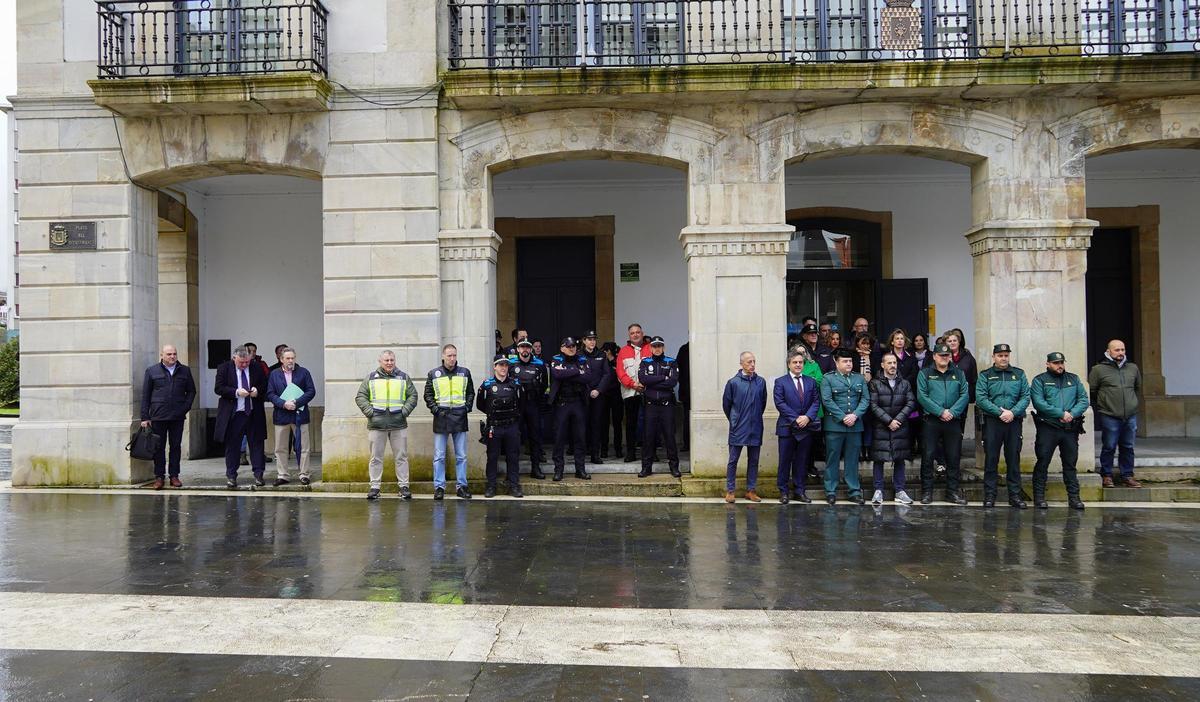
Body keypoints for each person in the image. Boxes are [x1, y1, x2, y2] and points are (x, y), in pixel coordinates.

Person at [355, 350, 417, 500]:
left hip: (398, 424)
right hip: (377, 425)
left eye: (392, 360)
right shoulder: (371, 378)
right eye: (386, 360)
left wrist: (404, 412)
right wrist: (370, 412)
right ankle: (375, 487)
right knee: (376, 457)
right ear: (380, 361)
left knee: (401, 456)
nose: (389, 363)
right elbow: (360, 396)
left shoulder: (403, 377)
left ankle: (404, 486)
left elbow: (413, 396)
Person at [976, 343, 1031, 508]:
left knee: (1013, 459)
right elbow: (981, 398)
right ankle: (990, 496)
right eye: (1000, 355)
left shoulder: (1018, 374)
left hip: (1013, 422)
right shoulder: (985, 375)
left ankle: (1014, 496)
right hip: (993, 422)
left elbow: (1025, 396)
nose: (1003, 358)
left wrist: (1012, 412)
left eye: (1006, 355)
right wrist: (999, 412)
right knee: (991, 459)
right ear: (994, 357)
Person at [1031, 352, 1089, 510]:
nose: (1060, 365)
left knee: (1070, 464)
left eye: (1061, 362)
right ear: (1048, 364)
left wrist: (1072, 414)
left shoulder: (1073, 378)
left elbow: (1083, 399)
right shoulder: (1040, 380)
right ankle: (1039, 497)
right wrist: (1061, 414)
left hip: (1069, 428)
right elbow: (1039, 403)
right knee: (1043, 462)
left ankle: (1074, 497)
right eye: (1056, 363)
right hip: (1048, 427)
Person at [916, 343, 970, 505]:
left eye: (947, 356)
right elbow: (922, 396)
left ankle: (952, 492)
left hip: (953, 420)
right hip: (931, 420)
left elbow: (965, 395)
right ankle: (927, 492)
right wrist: (940, 411)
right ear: (934, 356)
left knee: (953, 457)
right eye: (941, 355)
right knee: (928, 456)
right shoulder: (925, 373)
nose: (944, 358)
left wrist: (952, 412)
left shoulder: (958, 373)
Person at [139, 344, 197, 490]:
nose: (172, 357)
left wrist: (185, 408)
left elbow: (191, 391)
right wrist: (145, 417)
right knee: (158, 447)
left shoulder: (184, 370)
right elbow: (145, 395)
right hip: (158, 415)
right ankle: (159, 476)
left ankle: (174, 475)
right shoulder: (152, 371)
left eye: (174, 354)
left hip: (177, 416)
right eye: (169, 354)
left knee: (175, 446)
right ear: (162, 355)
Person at [1088, 339, 1143, 489]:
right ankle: (1107, 475)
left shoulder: (1133, 368)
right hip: (1109, 414)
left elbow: (1137, 388)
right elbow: (1092, 390)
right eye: (1117, 350)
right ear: (1108, 351)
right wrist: (1105, 403)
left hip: (1130, 415)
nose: (1120, 353)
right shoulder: (1098, 369)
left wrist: (1131, 404)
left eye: (1122, 350)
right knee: (1109, 446)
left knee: (1128, 446)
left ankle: (1127, 475)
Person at [424, 344, 474, 500]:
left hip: (460, 416)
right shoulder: (434, 374)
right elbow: (428, 395)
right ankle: (439, 487)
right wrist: (436, 410)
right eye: (449, 356)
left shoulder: (464, 372)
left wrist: (466, 408)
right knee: (439, 456)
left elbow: (470, 393)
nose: (452, 359)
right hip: (442, 417)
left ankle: (462, 486)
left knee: (461, 456)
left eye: (454, 355)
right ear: (443, 356)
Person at [214, 346, 268, 489]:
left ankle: (258, 474)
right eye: (241, 362)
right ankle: (231, 475)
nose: (244, 365)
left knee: (257, 444)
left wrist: (257, 391)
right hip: (235, 413)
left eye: (247, 362)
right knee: (233, 446)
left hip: (253, 412)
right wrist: (236, 392)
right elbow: (218, 388)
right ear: (234, 358)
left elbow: (265, 386)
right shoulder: (224, 368)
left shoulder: (256, 367)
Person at [819, 348, 868, 505]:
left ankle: (854, 491)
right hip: (835, 425)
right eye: (845, 361)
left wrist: (855, 415)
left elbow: (865, 399)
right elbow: (827, 400)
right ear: (836, 362)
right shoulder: (828, 379)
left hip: (855, 425)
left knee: (852, 459)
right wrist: (842, 417)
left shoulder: (859, 378)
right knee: (832, 458)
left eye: (850, 361)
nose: (848, 364)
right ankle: (830, 490)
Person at [868, 352, 916, 505]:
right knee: (879, 458)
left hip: (900, 426)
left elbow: (910, 403)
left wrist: (898, 420)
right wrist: (889, 421)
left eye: (894, 362)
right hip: (881, 425)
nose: (893, 366)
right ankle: (878, 490)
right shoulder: (875, 383)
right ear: (882, 365)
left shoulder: (905, 383)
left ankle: (900, 490)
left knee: (900, 458)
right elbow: (873, 405)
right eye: (889, 363)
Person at [266, 347, 317, 487]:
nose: (291, 361)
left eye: (293, 358)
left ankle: (304, 474)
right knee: (280, 448)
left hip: (300, 414)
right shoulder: (274, 374)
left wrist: (296, 402)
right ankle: (283, 475)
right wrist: (283, 404)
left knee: (304, 446)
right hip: (282, 415)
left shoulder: (303, 372)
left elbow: (311, 391)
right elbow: (270, 393)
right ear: (281, 359)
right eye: (287, 358)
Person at [774, 350, 820, 504]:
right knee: (785, 461)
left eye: (800, 362)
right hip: (787, 427)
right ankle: (784, 492)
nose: (798, 365)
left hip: (806, 427)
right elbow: (780, 403)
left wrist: (807, 417)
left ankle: (800, 491)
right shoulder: (780, 382)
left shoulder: (811, 382)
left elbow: (815, 401)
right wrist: (796, 419)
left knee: (802, 461)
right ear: (789, 364)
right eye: (795, 362)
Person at [477, 356, 525, 498]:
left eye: (505, 365)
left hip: (511, 426)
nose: (503, 368)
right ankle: (491, 486)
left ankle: (514, 486)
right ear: (495, 367)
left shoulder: (515, 383)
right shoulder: (487, 385)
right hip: (495, 427)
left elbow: (522, 403)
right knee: (492, 457)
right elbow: (480, 404)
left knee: (513, 456)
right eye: (500, 365)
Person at [549, 336, 592, 481]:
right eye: (568, 346)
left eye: (573, 346)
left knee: (580, 438)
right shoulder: (556, 359)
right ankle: (558, 470)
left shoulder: (581, 359)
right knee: (559, 438)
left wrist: (567, 372)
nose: (572, 348)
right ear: (562, 348)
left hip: (578, 403)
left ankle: (580, 470)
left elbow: (587, 377)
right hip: (562, 404)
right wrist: (576, 372)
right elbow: (556, 374)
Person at [638, 336, 682, 478]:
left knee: (669, 436)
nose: (657, 349)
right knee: (648, 437)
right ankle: (646, 468)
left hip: (666, 406)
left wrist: (652, 382)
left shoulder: (671, 361)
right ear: (651, 348)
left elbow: (673, 382)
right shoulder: (645, 362)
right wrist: (663, 377)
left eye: (659, 346)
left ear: (663, 347)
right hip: (650, 406)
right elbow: (643, 379)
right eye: (654, 346)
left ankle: (674, 467)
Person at [508, 338, 548, 480]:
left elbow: (544, 384)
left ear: (531, 349)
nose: (525, 350)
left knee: (535, 437)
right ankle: (512, 471)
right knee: (513, 438)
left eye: (527, 347)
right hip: (516, 406)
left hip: (533, 404)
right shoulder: (510, 364)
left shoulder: (539, 364)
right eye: (522, 347)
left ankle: (535, 468)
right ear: (518, 349)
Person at [616, 323, 648, 462]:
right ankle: (631, 452)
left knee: (649, 423)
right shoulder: (623, 351)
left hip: (648, 392)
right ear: (629, 335)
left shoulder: (650, 348)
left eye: (637, 332)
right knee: (630, 424)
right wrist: (633, 385)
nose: (635, 334)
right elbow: (620, 372)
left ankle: (650, 452)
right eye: (632, 333)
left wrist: (645, 384)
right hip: (630, 393)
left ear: (642, 333)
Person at [580, 331, 612, 464]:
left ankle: (595, 455)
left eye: (594, 339)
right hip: (583, 394)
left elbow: (607, 374)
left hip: (598, 395)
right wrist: (587, 390)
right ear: (584, 341)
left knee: (596, 424)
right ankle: (581, 454)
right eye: (589, 339)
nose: (592, 342)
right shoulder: (578, 355)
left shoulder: (601, 355)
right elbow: (577, 373)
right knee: (581, 425)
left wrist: (598, 390)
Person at [601, 342, 625, 458]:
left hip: (617, 395)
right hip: (604, 395)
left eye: (604, 351)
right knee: (603, 423)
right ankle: (604, 449)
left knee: (617, 423)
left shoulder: (618, 361)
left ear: (608, 351)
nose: (603, 353)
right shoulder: (602, 362)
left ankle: (618, 449)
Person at [676, 341, 691, 452]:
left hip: (689, 390)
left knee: (687, 418)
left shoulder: (684, 349)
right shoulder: (684, 349)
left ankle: (688, 444)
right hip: (686, 391)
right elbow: (677, 370)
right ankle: (687, 444)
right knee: (687, 418)